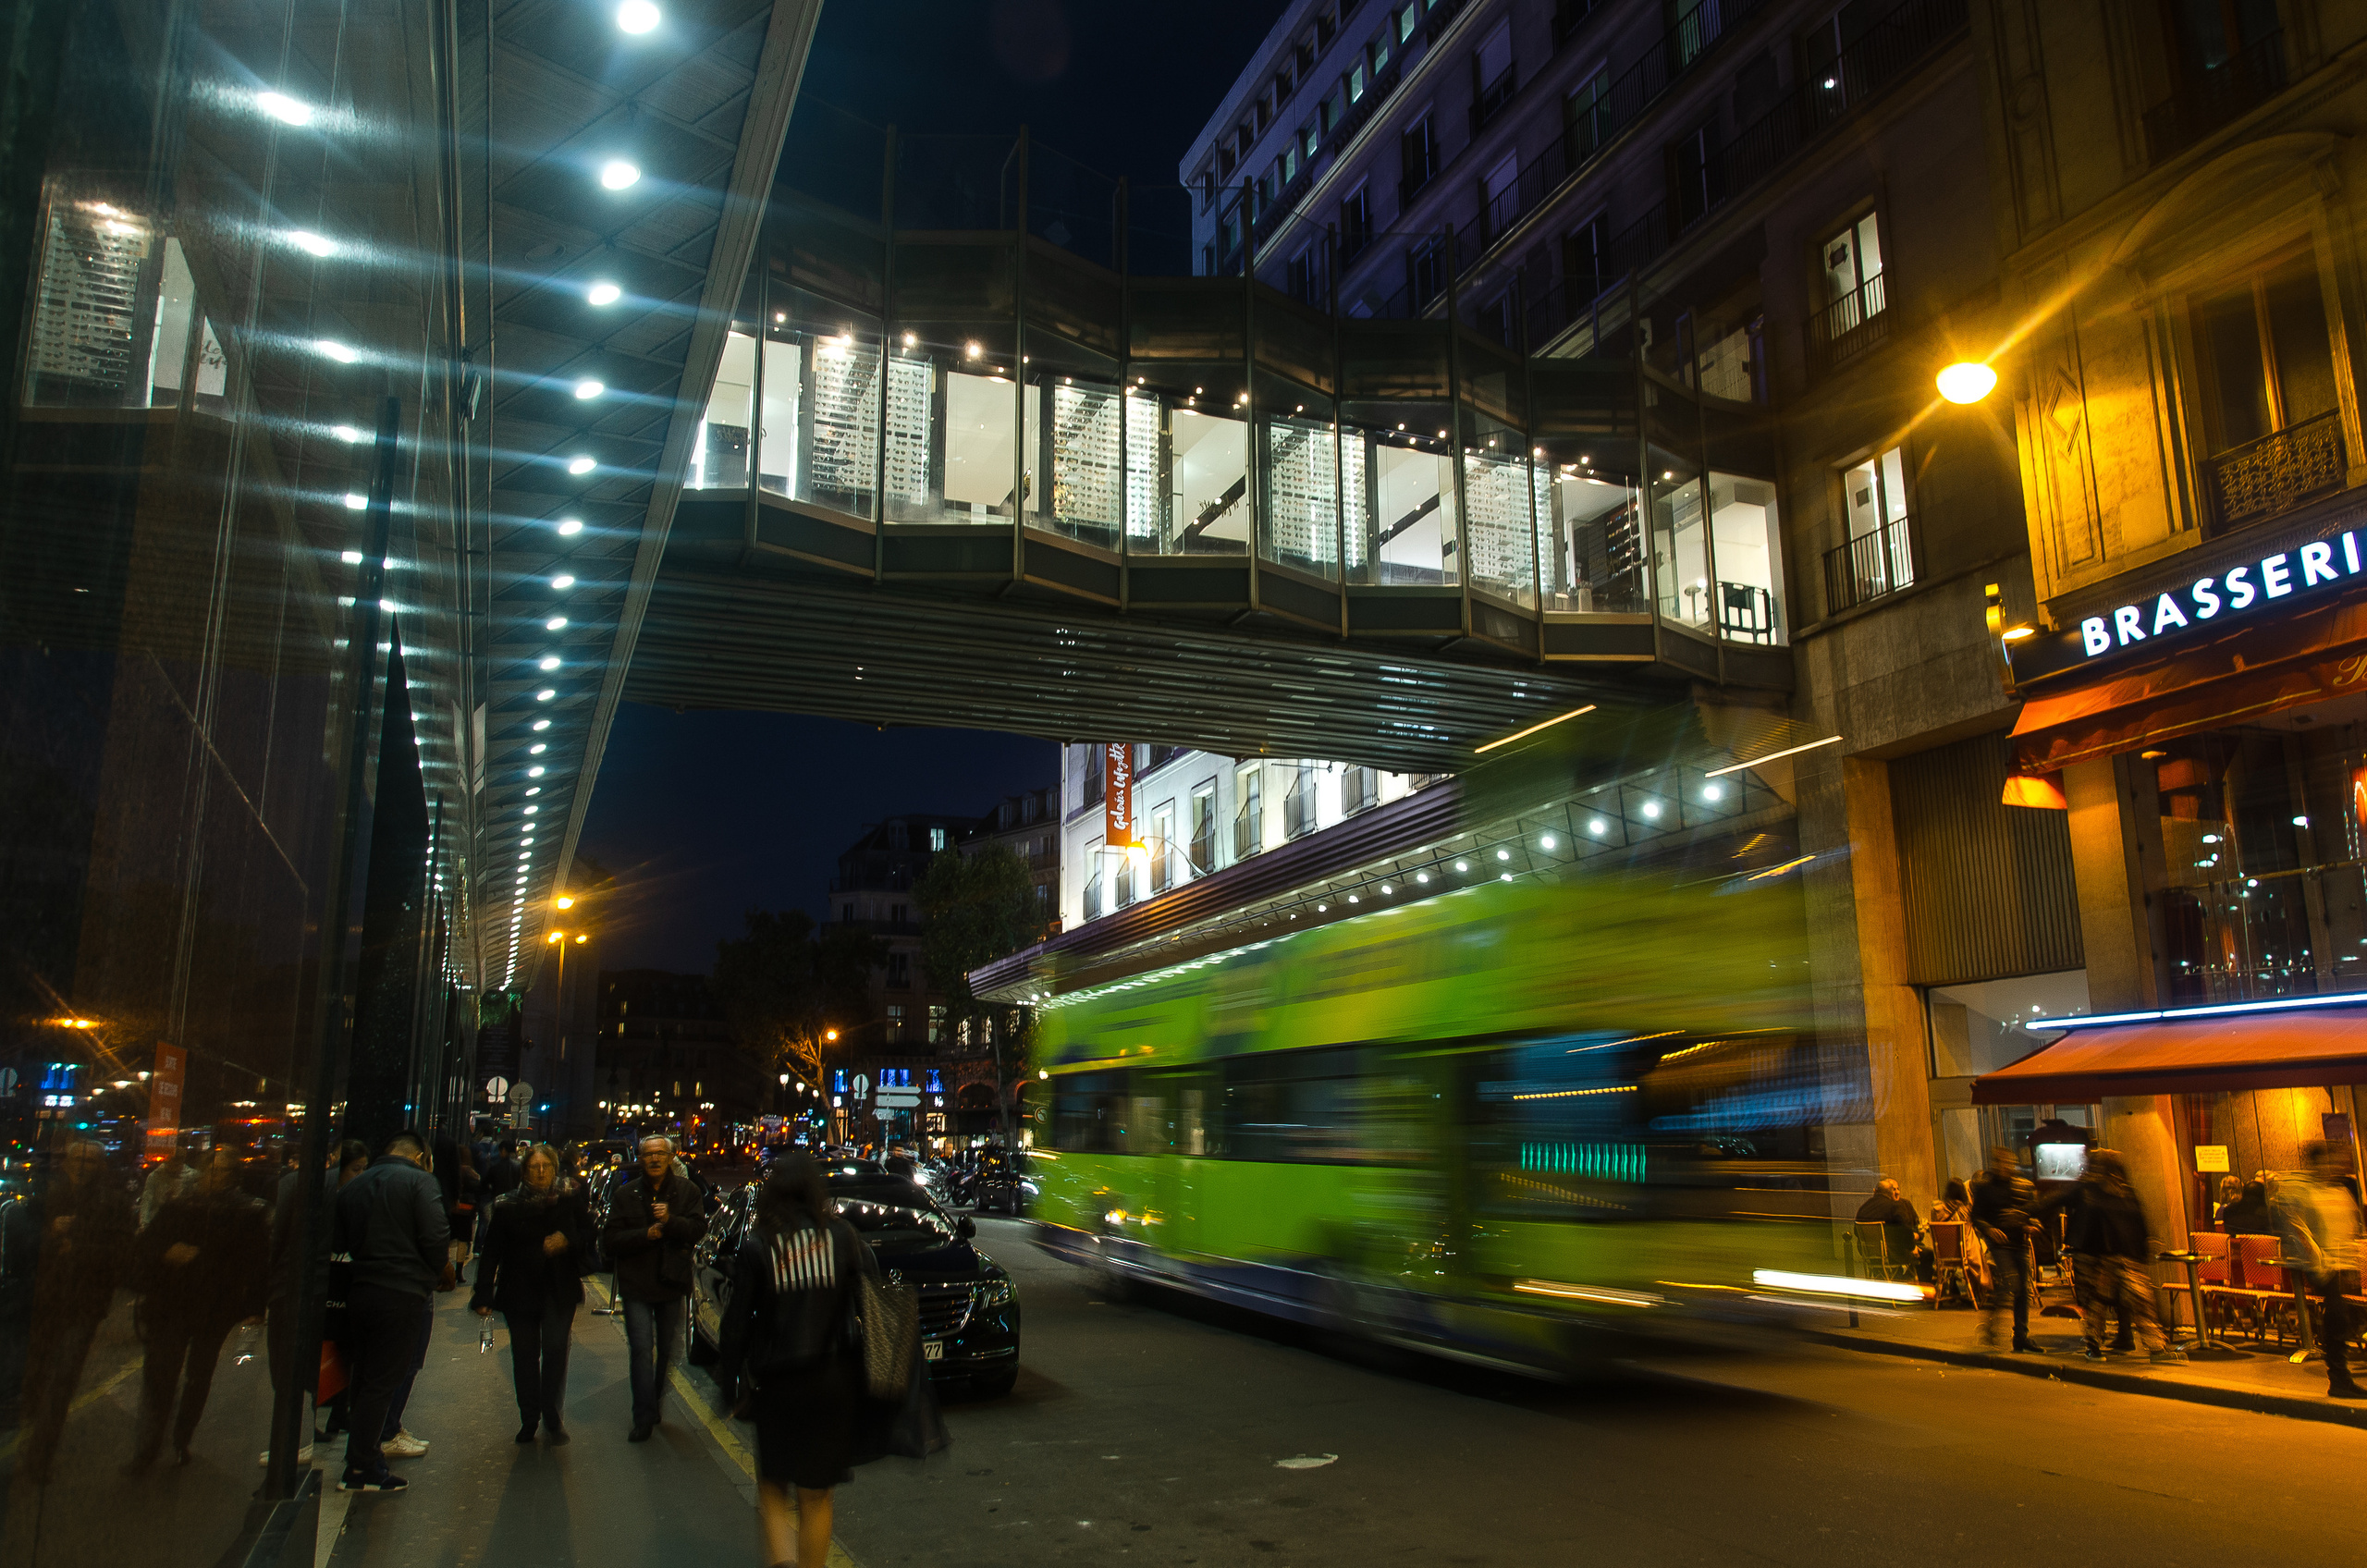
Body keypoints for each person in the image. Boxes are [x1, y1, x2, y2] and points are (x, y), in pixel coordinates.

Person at [717, 1152, 878, 1568]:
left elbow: (737, 1322)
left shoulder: (759, 1244)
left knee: (773, 1487)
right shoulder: (842, 1237)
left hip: (779, 1384)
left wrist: (729, 1383)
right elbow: (871, 1303)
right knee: (817, 1493)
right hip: (832, 1380)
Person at [129, 1146, 270, 1468]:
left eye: (222, 1171)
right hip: (173, 1303)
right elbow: (146, 1244)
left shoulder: (247, 1212)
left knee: (199, 1374)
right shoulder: (180, 1207)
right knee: (162, 1372)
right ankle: (150, 1443)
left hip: (215, 1307)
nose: (214, 1177)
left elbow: (257, 1263)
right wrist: (167, 1253)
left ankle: (181, 1437)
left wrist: (254, 1306)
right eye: (211, 1170)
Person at [333, 1130, 453, 1492]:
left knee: (364, 1378)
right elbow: (435, 1237)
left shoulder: (355, 1184)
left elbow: (341, 1240)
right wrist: (435, 1272)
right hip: (401, 1294)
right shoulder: (421, 1182)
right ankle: (362, 1467)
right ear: (420, 1157)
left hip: (361, 1290)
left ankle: (358, 1456)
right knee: (383, 1382)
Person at [18, 1140, 134, 1483]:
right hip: (44, 1300)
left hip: (83, 1305)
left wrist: (79, 1248)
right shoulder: (47, 1197)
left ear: (101, 1167)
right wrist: (52, 1235)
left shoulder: (113, 1203)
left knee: (62, 1380)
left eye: (90, 1160)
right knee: (33, 1376)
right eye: (77, 1158)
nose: (82, 1165)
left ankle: (38, 1459)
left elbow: (122, 1256)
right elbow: (21, 1245)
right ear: (66, 1163)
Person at [472, 1143, 595, 1441]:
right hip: (519, 1290)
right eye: (533, 1167)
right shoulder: (507, 1205)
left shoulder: (570, 1196)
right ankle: (529, 1418)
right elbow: (492, 1252)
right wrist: (484, 1293)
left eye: (546, 1167)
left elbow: (588, 1234)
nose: (540, 1173)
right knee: (524, 1356)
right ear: (524, 1171)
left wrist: (566, 1241)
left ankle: (551, 1414)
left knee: (554, 1349)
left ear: (555, 1169)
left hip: (558, 1287)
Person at [603, 1133, 707, 1441]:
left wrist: (671, 1222)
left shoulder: (687, 1192)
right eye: (648, 1154)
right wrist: (644, 1234)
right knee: (639, 1349)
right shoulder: (626, 1194)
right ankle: (643, 1416)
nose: (654, 1159)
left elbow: (698, 1230)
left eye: (660, 1154)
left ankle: (654, 1400)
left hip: (671, 1283)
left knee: (665, 1352)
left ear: (671, 1156)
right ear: (640, 1157)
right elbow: (609, 1241)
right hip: (636, 1283)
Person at [2037, 1147, 2185, 1364]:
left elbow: (2138, 1218)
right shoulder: (2085, 1187)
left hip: (2126, 1253)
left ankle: (2156, 1347)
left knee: (2141, 1300)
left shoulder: (2123, 1190)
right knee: (2097, 1303)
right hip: (2095, 1255)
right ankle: (2093, 1344)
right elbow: (2050, 1201)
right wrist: (2029, 1216)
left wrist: (2147, 1240)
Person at [2275, 1140, 2364, 1399]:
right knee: (2337, 1315)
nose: (2335, 1166)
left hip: (2342, 1264)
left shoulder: (2340, 1190)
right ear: (2317, 1164)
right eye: (2330, 1161)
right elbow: (2297, 1226)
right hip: (2320, 1264)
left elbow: (2350, 1226)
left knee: (2345, 1317)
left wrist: (2350, 1262)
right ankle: (2338, 1379)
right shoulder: (2303, 1191)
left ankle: (2340, 1376)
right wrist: (2317, 1259)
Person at [1970, 1148, 2039, 1351]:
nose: (2007, 1167)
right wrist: (1989, 1229)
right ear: (1995, 1164)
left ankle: (2020, 1336)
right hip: (2000, 1245)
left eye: (2009, 1163)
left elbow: (2030, 1211)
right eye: (2002, 1163)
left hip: (2019, 1242)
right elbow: (1976, 1216)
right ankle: (1993, 1327)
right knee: (2012, 1284)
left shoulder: (2019, 1185)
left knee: (2022, 1290)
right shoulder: (1986, 1188)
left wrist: (2032, 1224)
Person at [1929, 1175, 1991, 1294]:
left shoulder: (1936, 1210)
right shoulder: (1967, 1210)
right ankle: (1976, 1292)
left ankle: (1950, 1287)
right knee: (1980, 1248)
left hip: (1943, 1254)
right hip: (1966, 1253)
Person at [1854, 1177, 1924, 1275]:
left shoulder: (1863, 1208)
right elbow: (1905, 1231)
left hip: (1868, 1255)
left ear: (1875, 1191)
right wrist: (1912, 1248)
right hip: (1892, 1255)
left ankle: (1899, 1278)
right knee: (1927, 1255)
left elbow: (1856, 1232)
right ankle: (1920, 1286)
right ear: (1891, 1193)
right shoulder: (1894, 1206)